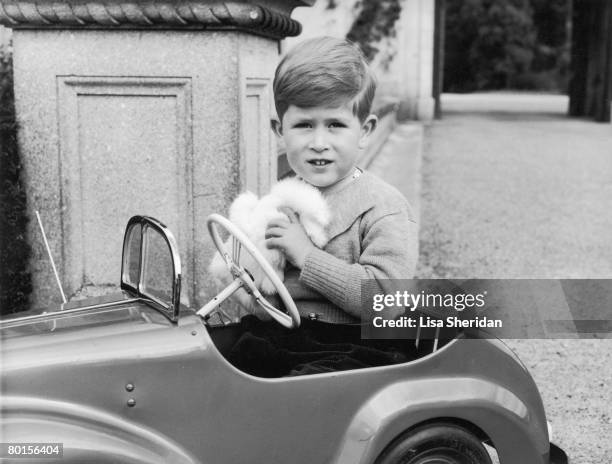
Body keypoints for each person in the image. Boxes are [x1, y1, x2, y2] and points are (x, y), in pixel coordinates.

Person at [228, 36, 418, 376]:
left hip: (356, 344)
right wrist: (250, 282)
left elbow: (386, 302)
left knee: (304, 384)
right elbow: (268, 282)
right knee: (226, 357)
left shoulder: (383, 206)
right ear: (279, 131)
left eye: (335, 125)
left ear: (365, 130)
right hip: (290, 332)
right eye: (303, 126)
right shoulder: (284, 198)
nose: (319, 143)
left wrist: (306, 255)